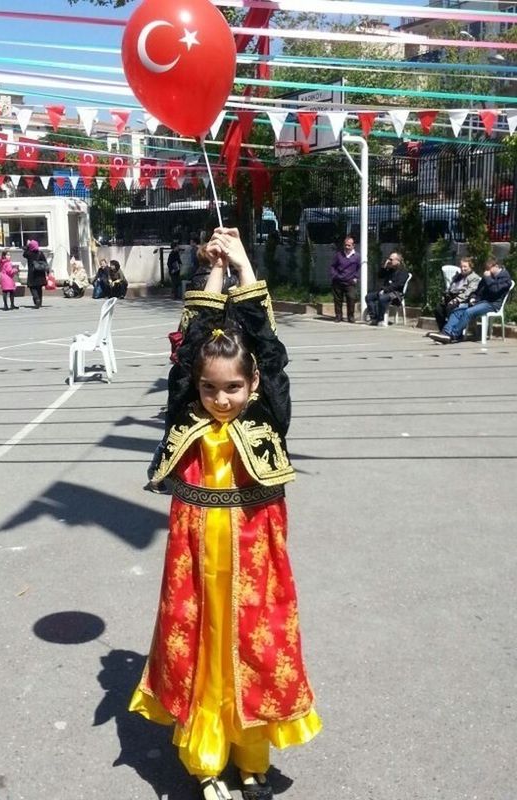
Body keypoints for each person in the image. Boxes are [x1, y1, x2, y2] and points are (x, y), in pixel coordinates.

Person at [131, 228, 321, 800]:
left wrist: (244, 267)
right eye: (211, 388)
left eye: (234, 387)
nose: (221, 398)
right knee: (203, 653)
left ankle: (253, 759)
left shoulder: (266, 420)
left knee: (254, 649)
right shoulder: (186, 418)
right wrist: (209, 271)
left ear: (253, 384)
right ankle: (208, 762)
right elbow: (188, 350)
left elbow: (268, 350)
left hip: (256, 556)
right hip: (194, 559)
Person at [430, 256, 512, 344]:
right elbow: (478, 290)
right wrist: (473, 297)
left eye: (488, 269)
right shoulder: (489, 276)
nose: (487, 271)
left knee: (468, 312)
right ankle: (445, 333)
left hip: (491, 304)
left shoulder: (505, 278)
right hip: (480, 302)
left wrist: (488, 278)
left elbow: (495, 291)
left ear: (496, 267)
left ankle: (453, 335)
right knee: (457, 311)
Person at [432, 257, 480, 332]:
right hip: (452, 297)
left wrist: (456, 300)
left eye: (465, 267)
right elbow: (450, 288)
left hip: (463, 300)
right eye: (461, 266)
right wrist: (445, 296)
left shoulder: (474, 278)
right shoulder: (457, 276)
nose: (462, 268)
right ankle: (443, 330)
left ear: (470, 267)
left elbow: (469, 292)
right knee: (438, 309)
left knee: (450, 308)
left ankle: (452, 331)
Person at [365, 251, 409, 326]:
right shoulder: (389, 270)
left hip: (396, 294)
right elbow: (380, 276)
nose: (389, 261)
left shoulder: (403, 272)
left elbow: (398, 285)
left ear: (397, 261)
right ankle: (374, 318)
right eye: (389, 259)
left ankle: (380, 319)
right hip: (385, 291)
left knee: (382, 298)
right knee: (369, 297)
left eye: (391, 260)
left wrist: (385, 290)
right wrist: (384, 266)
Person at [330, 236, 361, 322]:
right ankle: (338, 316)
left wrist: (355, 277)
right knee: (338, 300)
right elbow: (333, 266)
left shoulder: (357, 256)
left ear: (353, 245)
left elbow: (358, 268)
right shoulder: (339, 255)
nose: (347, 247)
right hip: (338, 281)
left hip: (350, 281)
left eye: (349, 245)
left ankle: (350, 316)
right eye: (345, 245)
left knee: (351, 298)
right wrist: (334, 275)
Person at [23, 240, 48, 308]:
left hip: (32, 273)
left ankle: (36, 299)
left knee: (32, 287)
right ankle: (39, 302)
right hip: (40, 274)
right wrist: (47, 272)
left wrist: (28, 246)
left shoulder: (29, 253)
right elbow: (45, 263)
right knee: (39, 288)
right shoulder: (40, 253)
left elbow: (24, 254)